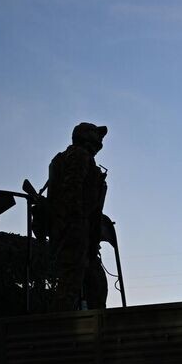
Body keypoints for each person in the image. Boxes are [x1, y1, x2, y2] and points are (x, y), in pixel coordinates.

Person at [47, 122, 109, 311]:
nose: (100, 140)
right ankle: (62, 330)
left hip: (79, 232)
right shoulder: (79, 156)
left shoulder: (75, 157)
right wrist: (77, 224)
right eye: (96, 135)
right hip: (74, 231)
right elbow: (71, 191)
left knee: (95, 283)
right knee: (70, 286)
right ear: (86, 136)